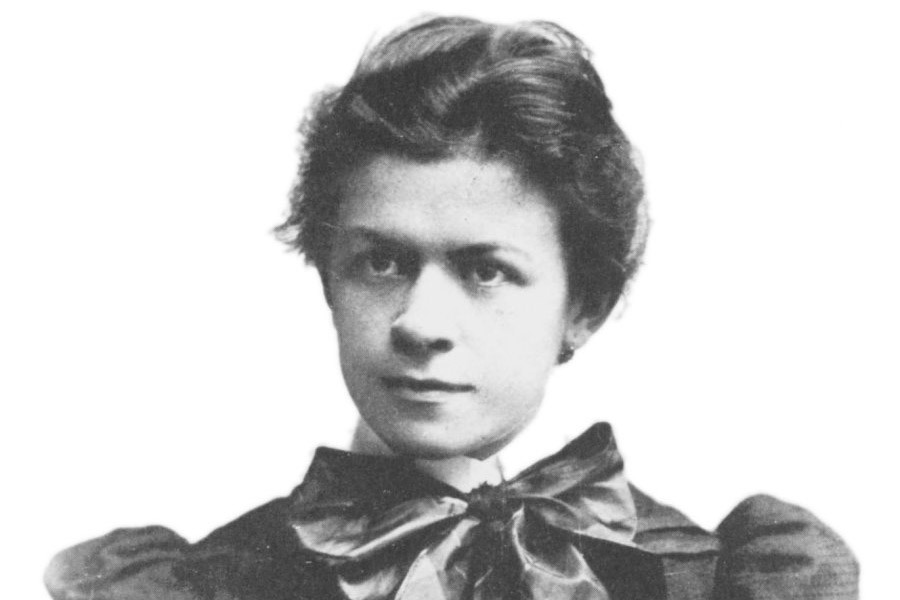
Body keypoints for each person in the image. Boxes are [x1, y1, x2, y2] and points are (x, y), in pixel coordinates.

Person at [44, 15, 857, 600]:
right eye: (381, 263)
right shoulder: (217, 585)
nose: (420, 323)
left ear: (585, 307)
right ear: (328, 280)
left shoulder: (706, 580)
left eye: (487, 272)